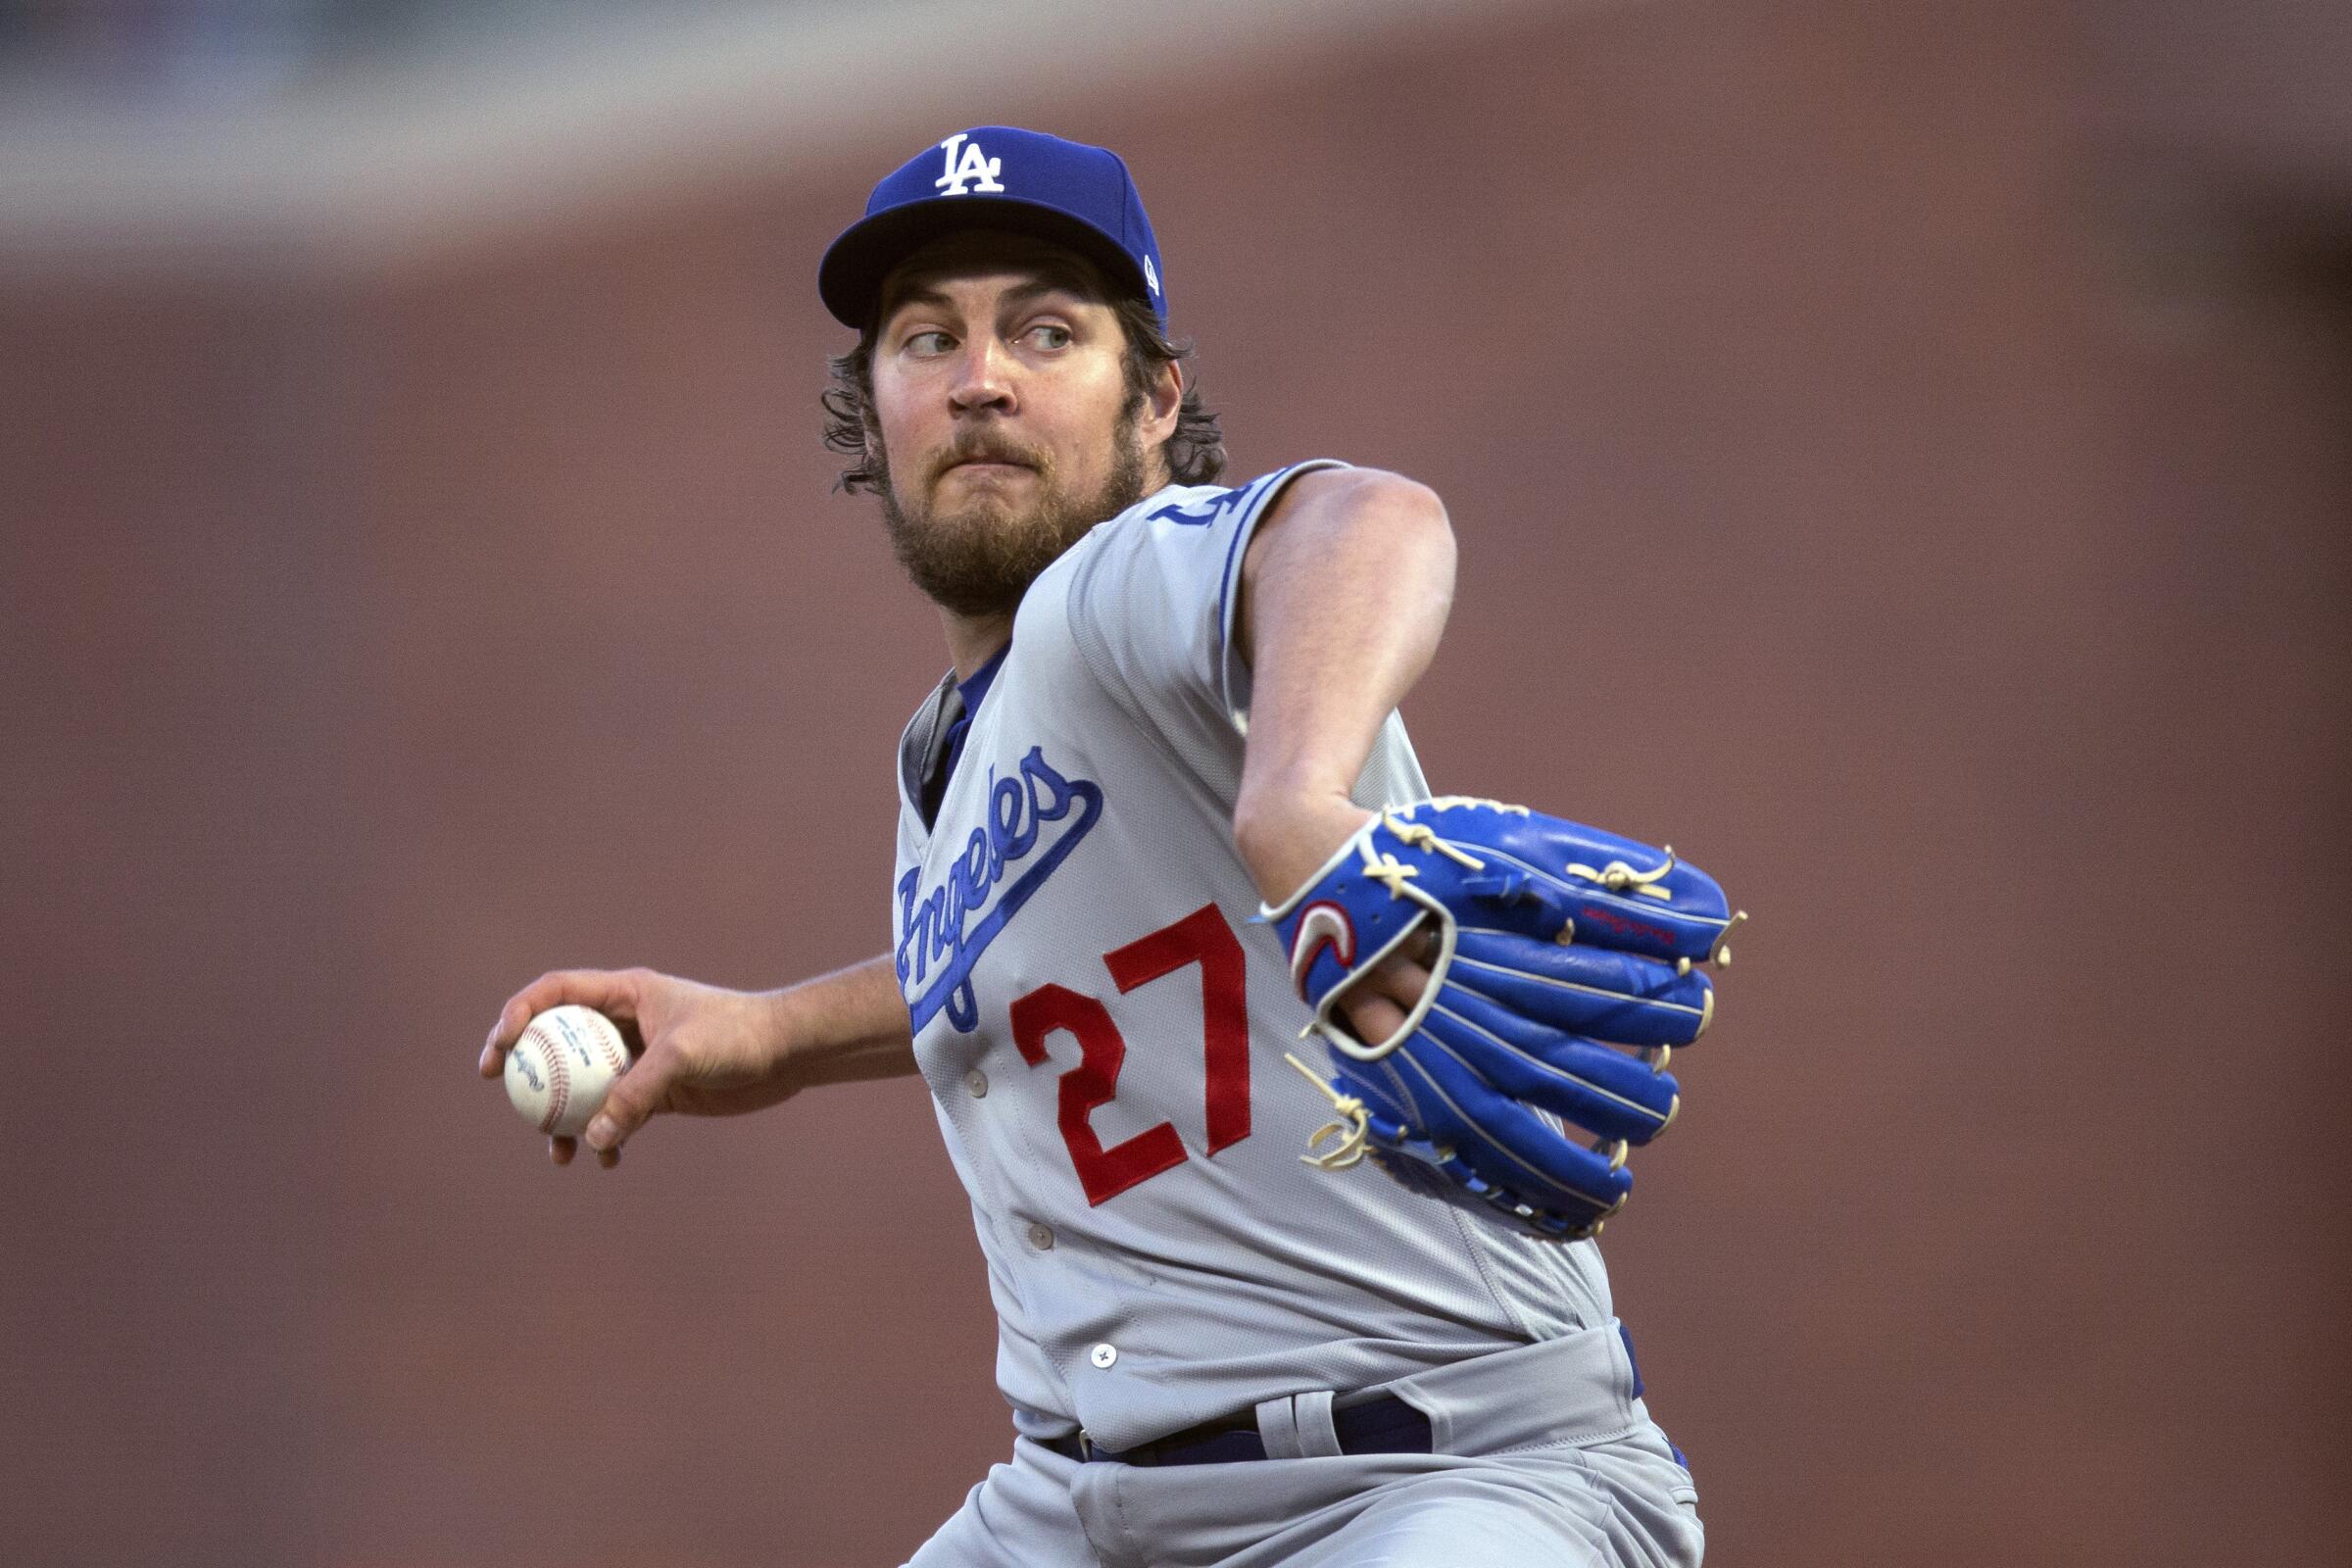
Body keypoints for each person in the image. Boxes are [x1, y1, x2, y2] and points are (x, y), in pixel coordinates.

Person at [479, 126, 1706, 1567]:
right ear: (872, 414)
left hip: (1441, 1481)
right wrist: (771, 1034)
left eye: (1045, 331)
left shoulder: (1126, 588)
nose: (978, 375)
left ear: (1154, 401)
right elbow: (1037, 966)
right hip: (1075, 1510)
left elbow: (1368, 517)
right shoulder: (946, 753)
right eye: (926, 338)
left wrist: (1301, 800)